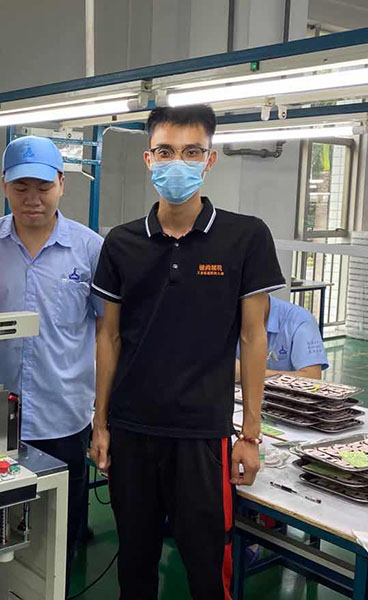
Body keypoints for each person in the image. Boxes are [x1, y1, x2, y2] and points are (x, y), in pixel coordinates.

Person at [90, 104, 285, 599]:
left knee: (206, 570)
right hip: (132, 432)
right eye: (165, 151)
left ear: (210, 160)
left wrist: (251, 435)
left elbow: (254, 338)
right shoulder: (121, 243)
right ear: (148, 159)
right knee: (134, 566)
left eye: (192, 152)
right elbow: (108, 337)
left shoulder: (245, 237)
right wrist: (101, 424)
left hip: (202, 436)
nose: (177, 162)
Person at [0, 135, 104, 592]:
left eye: (43, 187)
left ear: (61, 185)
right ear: (4, 186)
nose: (32, 198)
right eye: (21, 187)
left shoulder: (90, 249)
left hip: (64, 417)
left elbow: (108, 332)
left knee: (61, 534)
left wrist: (103, 418)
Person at [236, 295, 329, 381]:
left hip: (286, 392)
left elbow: (312, 377)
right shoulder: (234, 317)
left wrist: (248, 373)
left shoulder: (300, 321)